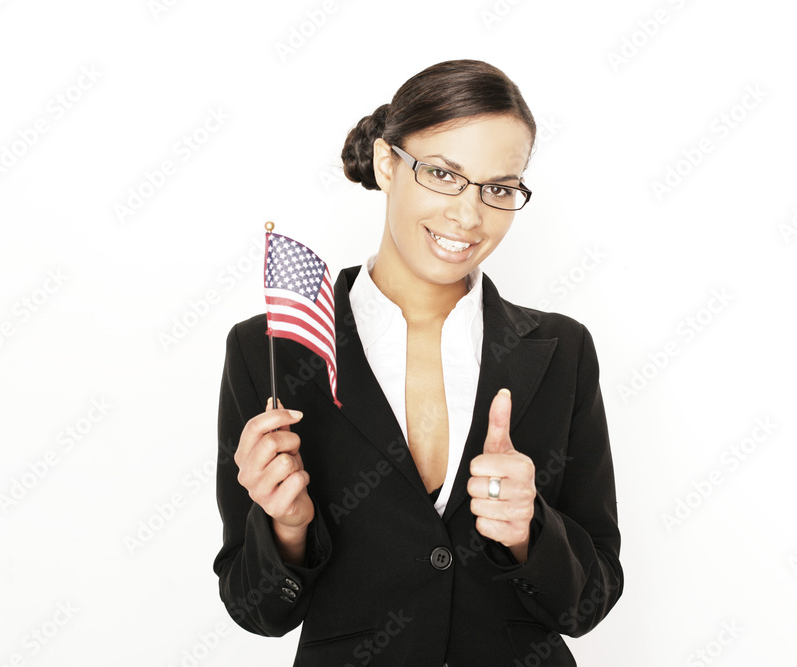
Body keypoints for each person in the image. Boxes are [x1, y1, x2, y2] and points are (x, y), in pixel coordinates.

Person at [213, 59, 623, 665]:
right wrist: (287, 527)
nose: (469, 216)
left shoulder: (563, 350)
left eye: (499, 188)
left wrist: (528, 532)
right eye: (442, 174)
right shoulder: (270, 350)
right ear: (387, 164)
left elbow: (589, 604)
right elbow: (257, 611)